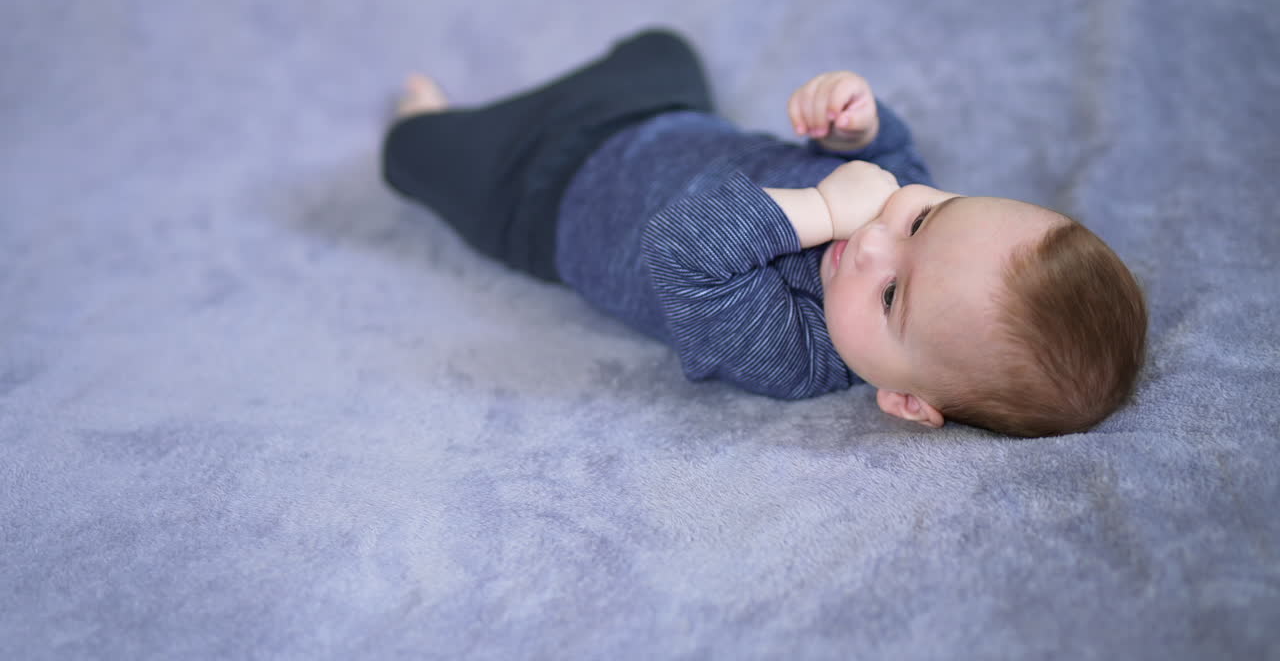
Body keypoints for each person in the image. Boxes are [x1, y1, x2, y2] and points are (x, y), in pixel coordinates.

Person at [381, 28, 1147, 437]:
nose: (878, 237)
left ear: (906, 400)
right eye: (926, 216)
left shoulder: (796, 352)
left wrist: (825, 207)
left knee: (416, 157)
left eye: (890, 297)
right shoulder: (891, 199)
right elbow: (890, 161)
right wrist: (853, 127)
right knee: (663, 47)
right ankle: (612, 80)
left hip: (536, 197)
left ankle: (427, 118)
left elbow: (681, 247)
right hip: (657, 119)